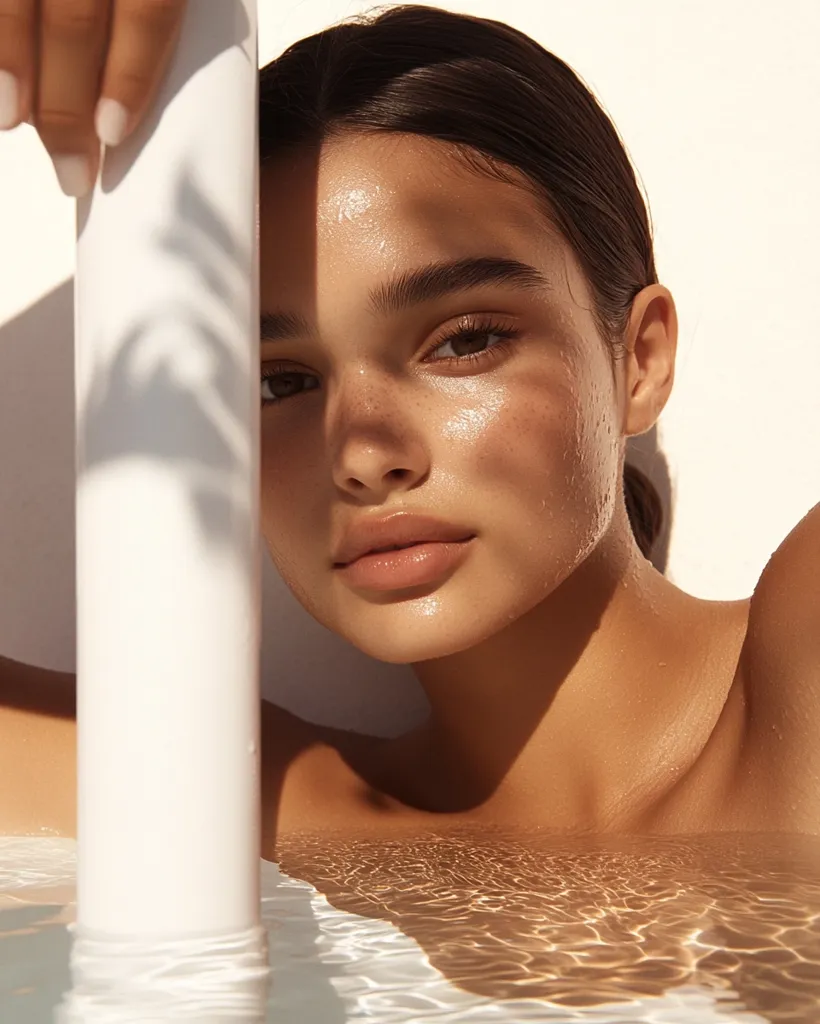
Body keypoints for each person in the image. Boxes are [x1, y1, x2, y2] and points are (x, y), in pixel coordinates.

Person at [0, 2, 818, 857]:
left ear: (638, 361)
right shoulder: (255, 816)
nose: (362, 454)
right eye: (282, 382)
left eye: (464, 341)